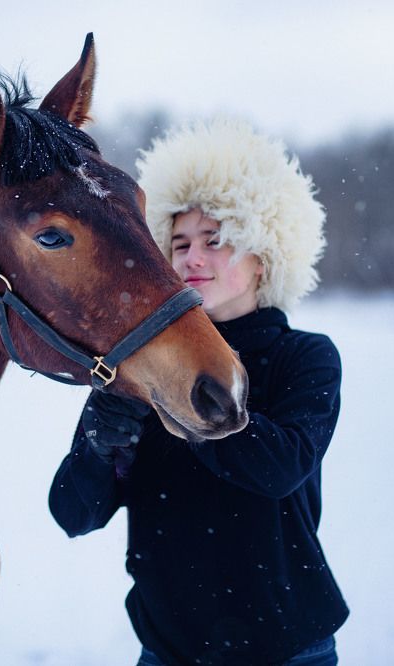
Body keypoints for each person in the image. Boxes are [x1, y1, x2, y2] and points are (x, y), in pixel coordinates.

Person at [49, 118, 348, 665]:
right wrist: (97, 447)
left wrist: (193, 404)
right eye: (180, 243)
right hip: (168, 652)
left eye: (216, 241)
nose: (192, 258)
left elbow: (279, 468)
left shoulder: (305, 358)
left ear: (263, 256)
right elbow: (74, 514)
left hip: (287, 650)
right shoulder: (140, 362)